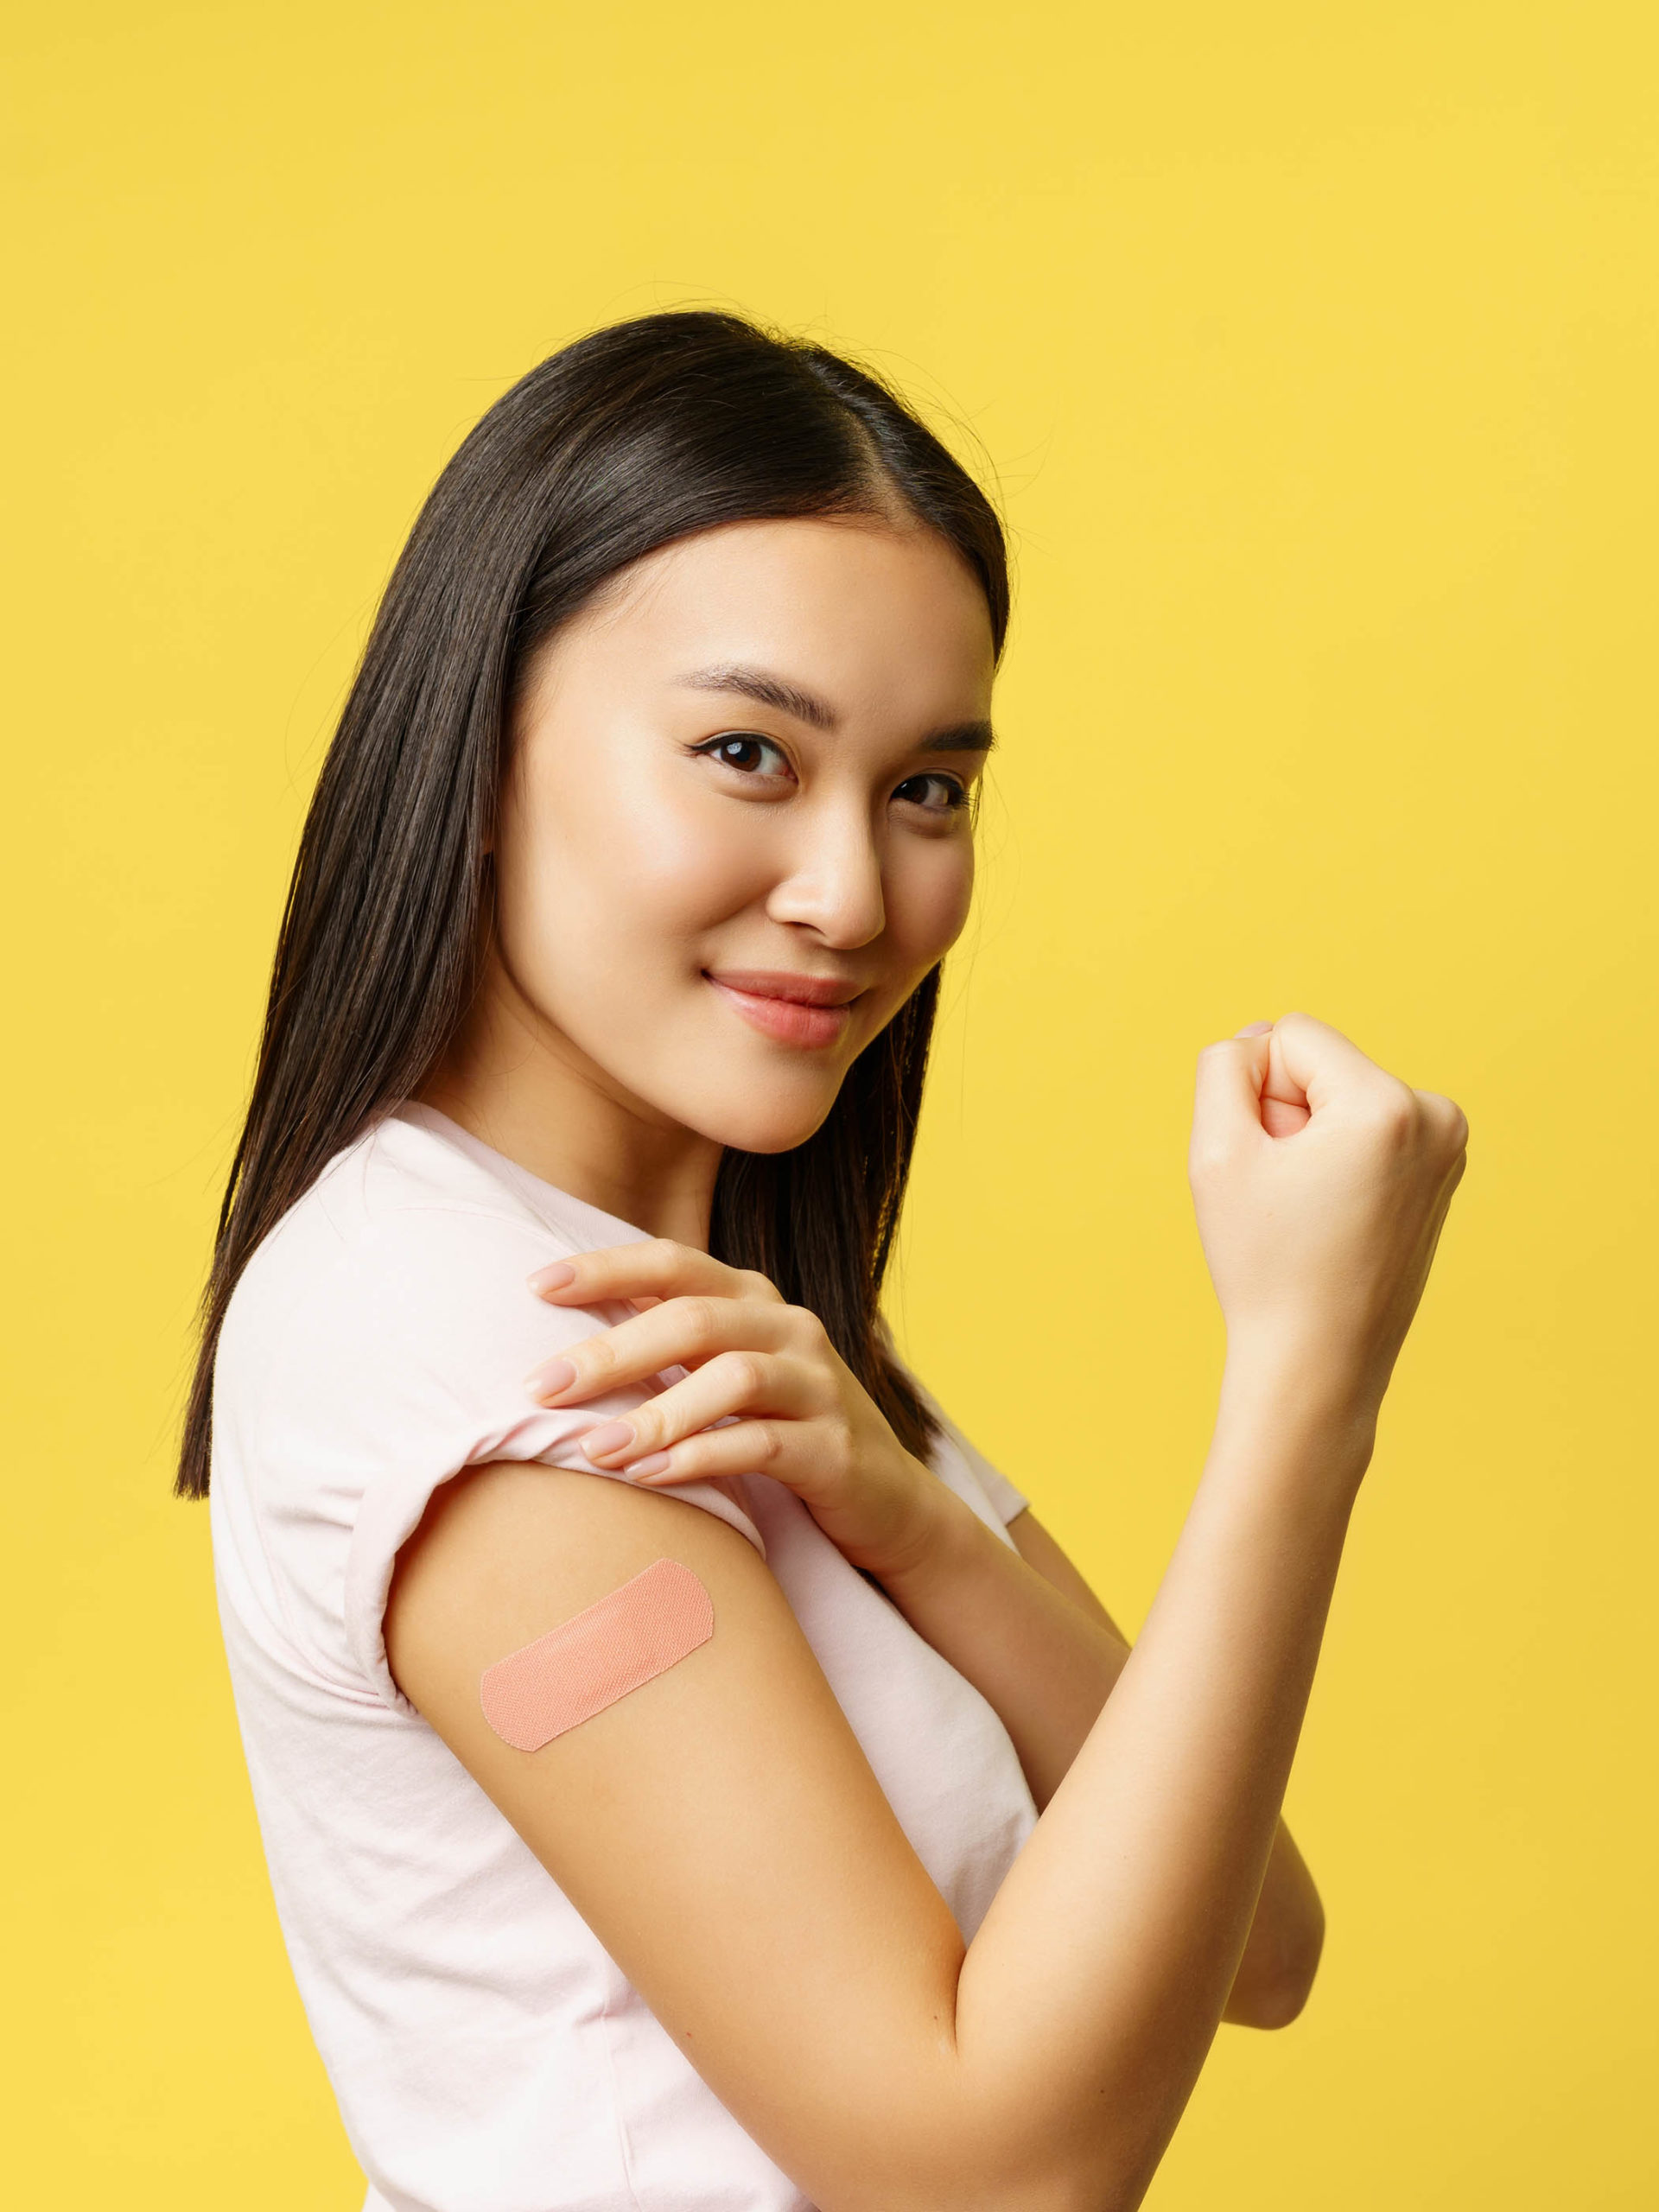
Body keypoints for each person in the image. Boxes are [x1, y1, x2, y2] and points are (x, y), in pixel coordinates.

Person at [185, 309, 1467, 2212]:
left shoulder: (756, 1353)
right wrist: (1307, 1380)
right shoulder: (490, 1335)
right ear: (480, 738)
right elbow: (992, 2173)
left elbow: (1255, 1935)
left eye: (927, 787)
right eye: (742, 750)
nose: (855, 894)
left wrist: (920, 1521)